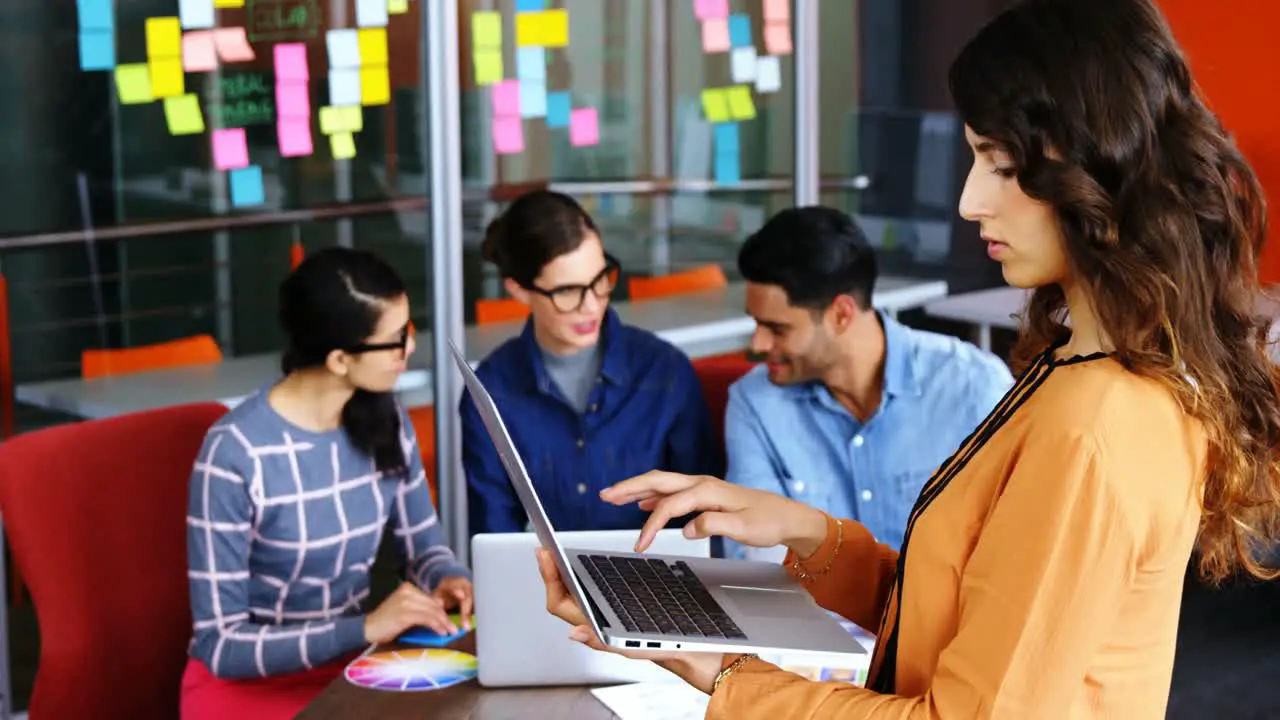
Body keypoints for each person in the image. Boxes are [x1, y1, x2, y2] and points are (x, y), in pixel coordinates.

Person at [536, 0, 1280, 716]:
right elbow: (959, 614)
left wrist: (724, 673)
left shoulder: (1094, 427)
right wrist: (804, 530)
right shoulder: (1076, 372)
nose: (968, 201)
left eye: (997, 163)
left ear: (1090, 165)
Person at [182, 247, 473, 719]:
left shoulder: (385, 420)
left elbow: (425, 551)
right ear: (340, 359)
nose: (410, 349)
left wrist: (448, 578)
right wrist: (363, 628)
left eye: (409, 332)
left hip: (353, 668)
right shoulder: (234, 453)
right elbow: (220, 643)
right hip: (250, 686)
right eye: (396, 340)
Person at [724, 206, 1012, 557]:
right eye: (756, 323)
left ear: (841, 314)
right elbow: (753, 560)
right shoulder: (755, 404)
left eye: (777, 328)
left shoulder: (973, 388)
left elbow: (1017, 543)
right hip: (808, 612)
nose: (758, 345)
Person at [462, 190, 721, 535]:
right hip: (546, 582)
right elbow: (494, 532)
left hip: (659, 578)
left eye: (599, 280)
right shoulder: (491, 392)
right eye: (567, 291)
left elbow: (704, 516)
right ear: (519, 290)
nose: (591, 305)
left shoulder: (665, 372)